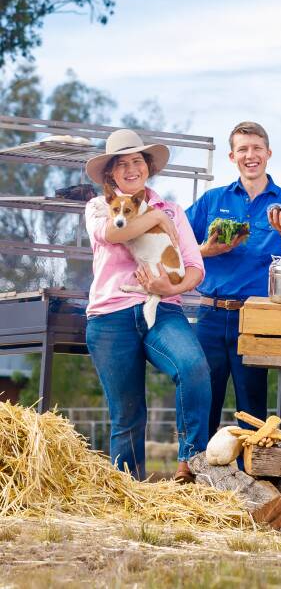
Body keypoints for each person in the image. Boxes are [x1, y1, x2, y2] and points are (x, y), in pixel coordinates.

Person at [82, 129, 211, 482]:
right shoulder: (98, 206)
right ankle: (128, 489)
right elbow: (113, 233)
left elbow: (196, 267)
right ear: (110, 174)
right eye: (121, 164)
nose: (130, 168)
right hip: (110, 315)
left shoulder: (173, 210)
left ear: (148, 166)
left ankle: (191, 461)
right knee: (127, 413)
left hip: (162, 307)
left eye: (137, 160)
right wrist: (154, 218)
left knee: (193, 367)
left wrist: (170, 285)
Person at [185, 121, 281, 436]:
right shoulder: (212, 201)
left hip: (257, 315)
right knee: (203, 396)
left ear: (268, 153)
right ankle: (194, 468)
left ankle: (251, 472)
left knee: (252, 403)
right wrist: (207, 249)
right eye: (243, 149)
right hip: (211, 313)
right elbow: (179, 248)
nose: (250, 155)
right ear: (232, 156)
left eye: (257, 148)